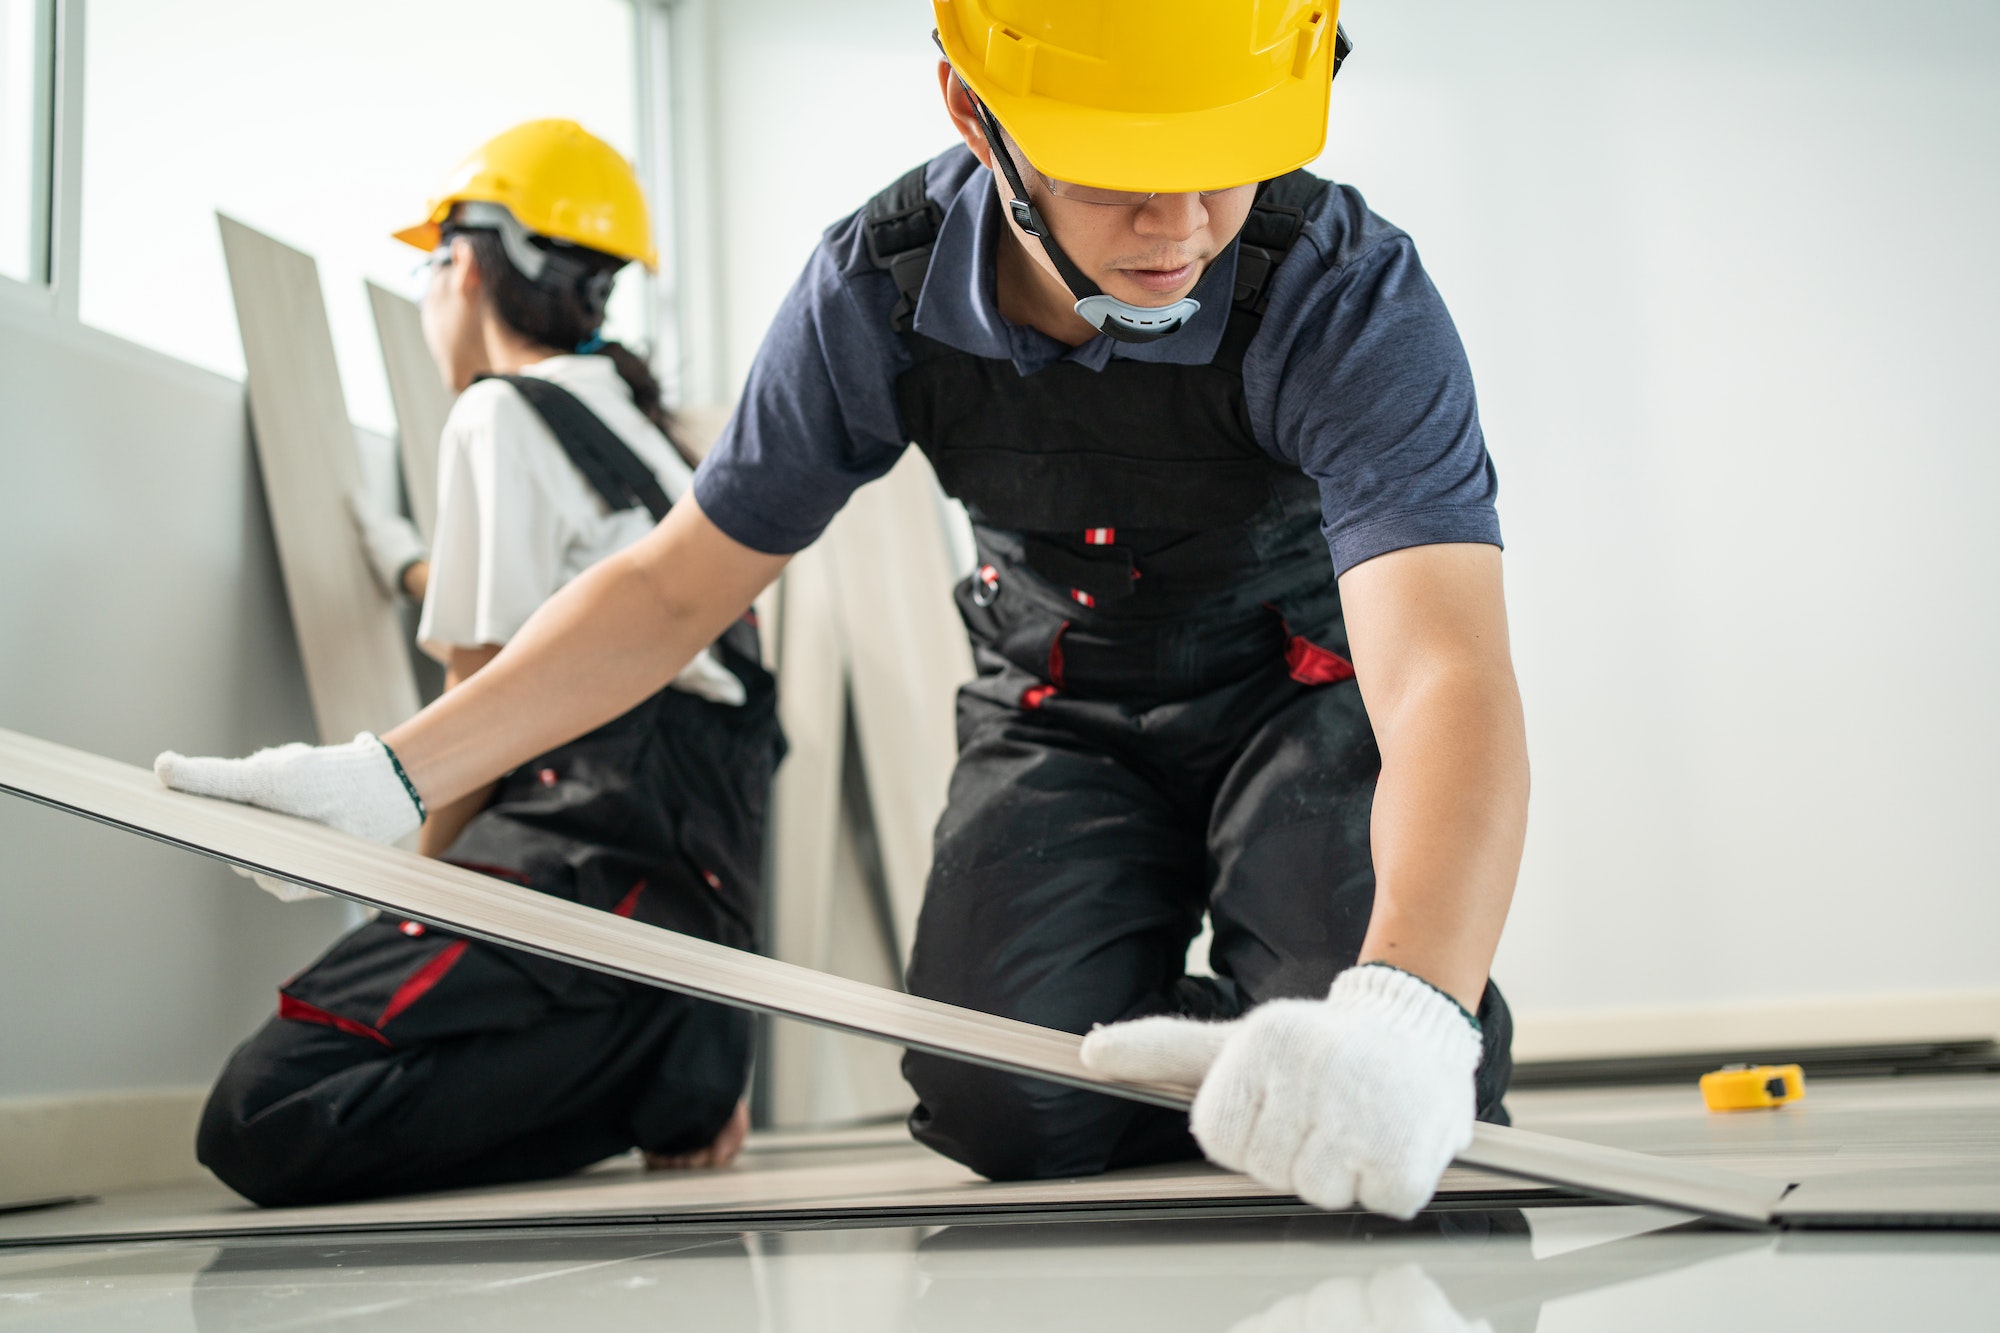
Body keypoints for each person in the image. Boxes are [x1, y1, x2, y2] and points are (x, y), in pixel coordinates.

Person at [162, 0, 1529, 1221]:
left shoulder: (1344, 293)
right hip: (1068, 710)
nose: (1178, 228)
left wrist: (1407, 1009)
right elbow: (676, 584)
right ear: (972, 114)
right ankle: (1261, 1029)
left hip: (1301, 697)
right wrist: (391, 776)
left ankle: (1369, 1002)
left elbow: (1443, 675)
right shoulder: (878, 294)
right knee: (995, 1100)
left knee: (1387, 1071)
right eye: (1119, 177)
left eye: (1221, 159)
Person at [181, 120, 786, 1207]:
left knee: (263, 1115)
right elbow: (581, 631)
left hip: (574, 852)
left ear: (461, 262)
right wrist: (414, 567)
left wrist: (409, 893)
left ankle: (655, 1051)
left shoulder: (495, 414)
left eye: (430, 264)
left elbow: (479, 701)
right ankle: (674, 1044)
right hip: (682, 897)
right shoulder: (650, 442)